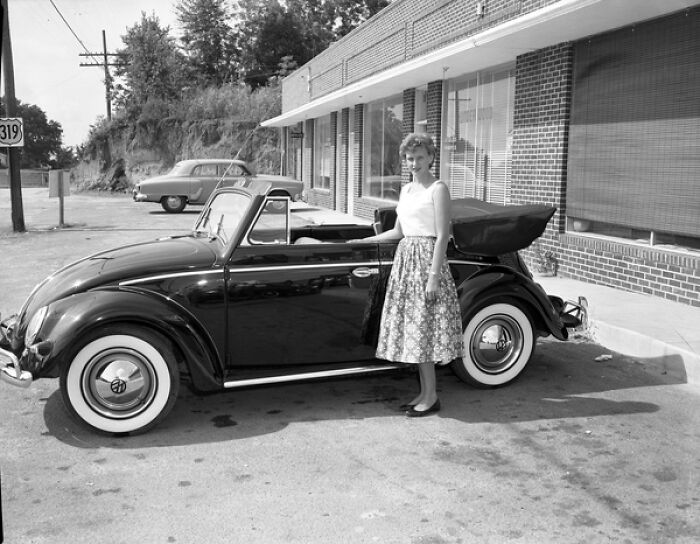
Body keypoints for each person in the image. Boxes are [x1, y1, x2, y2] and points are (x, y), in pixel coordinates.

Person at [353, 133, 463, 417]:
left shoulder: (438, 189)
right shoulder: (406, 191)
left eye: (420, 157)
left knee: (424, 332)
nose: (414, 163)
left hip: (427, 261)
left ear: (430, 157)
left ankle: (432, 396)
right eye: (410, 158)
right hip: (406, 262)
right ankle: (425, 393)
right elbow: (398, 232)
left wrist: (434, 276)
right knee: (414, 333)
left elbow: (442, 236)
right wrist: (364, 241)